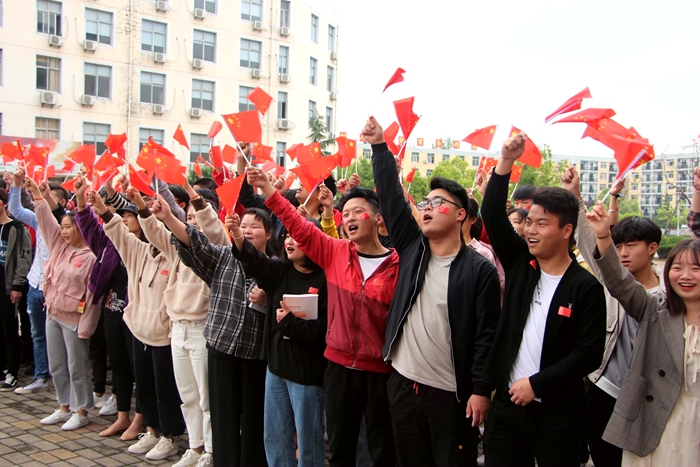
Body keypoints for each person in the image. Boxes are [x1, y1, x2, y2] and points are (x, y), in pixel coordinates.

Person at [364, 116, 501, 467]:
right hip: (404, 384)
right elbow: (393, 201)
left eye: (438, 203)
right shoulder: (413, 249)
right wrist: (379, 147)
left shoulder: (479, 269)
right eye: (425, 202)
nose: (427, 207)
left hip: (450, 396)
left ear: (460, 215)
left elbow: (487, 336)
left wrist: (481, 389)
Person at [247, 166, 399, 467]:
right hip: (338, 368)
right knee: (340, 447)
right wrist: (267, 189)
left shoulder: (399, 264)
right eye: (347, 213)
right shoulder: (336, 252)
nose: (351, 217)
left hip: (379, 373)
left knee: (377, 448)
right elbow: (298, 225)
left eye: (359, 211)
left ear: (378, 218)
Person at [480, 132, 606, 467]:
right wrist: (505, 161)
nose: (530, 230)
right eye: (529, 222)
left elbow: (589, 353)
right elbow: (491, 214)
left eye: (542, 224)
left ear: (566, 231)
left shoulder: (584, 286)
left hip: (557, 414)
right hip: (508, 406)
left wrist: (537, 384)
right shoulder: (522, 263)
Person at [562, 166, 663, 467]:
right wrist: (574, 196)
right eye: (619, 246)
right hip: (604, 386)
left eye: (631, 245)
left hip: (645, 396)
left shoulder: (669, 299)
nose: (624, 253)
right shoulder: (612, 281)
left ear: (652, 248)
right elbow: (590, 243)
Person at [587, 204, 700, 467]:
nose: (685, 276)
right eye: (677, 267)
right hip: (654, 420)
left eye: (695, 269)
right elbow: (619, 282)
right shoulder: (654, 307)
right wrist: (604, 237)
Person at [168, 204, 273, 467]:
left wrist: (268, 298)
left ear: (269, 234)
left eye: (255, 227)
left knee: (253, 419)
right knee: (223, 417)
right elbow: (194, 244)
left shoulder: (276, 268)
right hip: (221, 348)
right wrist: (167, 216)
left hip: (254, 355)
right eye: (244, 226)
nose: (248, 231)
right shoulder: (224, 256)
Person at [95, 187, 186, 461]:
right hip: (138, 329)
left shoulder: (175, 254)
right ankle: (151, 431)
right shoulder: (138, 251)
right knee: (144, 385)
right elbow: (117, 231)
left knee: (165, 389)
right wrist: (100, 204)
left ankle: (169, 436)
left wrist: (144, 206)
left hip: (163, 335)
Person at [231, 212, 328, 467]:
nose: (289, 241)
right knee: (274, 437)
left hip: (307, 376)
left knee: (309, 443)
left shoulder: (327, 279)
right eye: (286, 235)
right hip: (276, 371)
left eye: (298, 236)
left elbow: (325, 331)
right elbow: (254, 261)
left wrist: (289, 323)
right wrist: (238, 235)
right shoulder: (279, 270)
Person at [144, 184, 228, 467]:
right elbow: (156, 234)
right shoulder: (179, 247)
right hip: (177, 327)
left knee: (207, 398)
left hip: (201, 329)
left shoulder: (219, 248)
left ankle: (212, 451)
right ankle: (194, 445)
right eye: (188, 218)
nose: (192, 223)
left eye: (197, 217)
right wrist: (145, 209)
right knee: (188, 396)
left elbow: (214, 231)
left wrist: (196, 200)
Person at [72, 178, 144, 439]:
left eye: (129, 216)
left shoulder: (150, 247)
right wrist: (81, 198)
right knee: (121, 369)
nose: (124, 220)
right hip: (113, 312)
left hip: (140, 317)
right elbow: (90, 227)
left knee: (141, 371)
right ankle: (122, 416)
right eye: (121, 216)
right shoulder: (111, 244)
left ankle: (141, 420)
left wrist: (110, 198)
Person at [27, 179, 100, 430]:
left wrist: (86, 327)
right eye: (63, 227)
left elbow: (92, 299)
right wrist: (36, 194)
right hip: (53, 314)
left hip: (75, 319)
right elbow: (46, 220)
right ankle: (63, 406)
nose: (64, 231)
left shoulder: (91, 257)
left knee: (77, 366)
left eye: (69, 227)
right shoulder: (59, 247)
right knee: (57, 364)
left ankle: (81, 410)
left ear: (80, 228)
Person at [6, 171, 51, 395]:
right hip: (35, 283)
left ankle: (64, 377)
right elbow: (15, 210)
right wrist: (16, 184)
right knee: (37, 334)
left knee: (60, 337)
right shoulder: (36, 219)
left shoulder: (65, 222)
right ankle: (41, 374)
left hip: (57, 287)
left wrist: (41, 195)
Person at [0, 187, 31, 392]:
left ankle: (12, 371)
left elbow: (24, 257)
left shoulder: (18, 228)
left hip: (8, 286)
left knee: (10, 330)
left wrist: (17, 285)